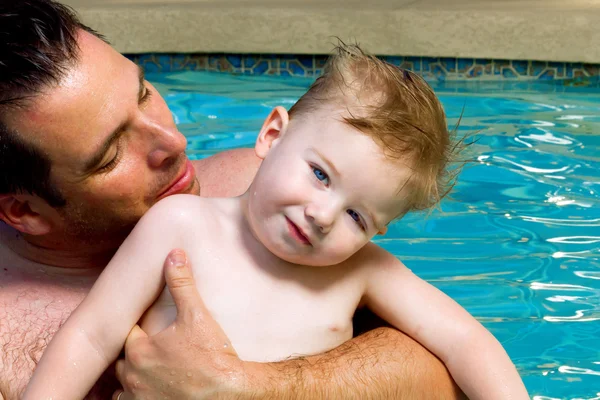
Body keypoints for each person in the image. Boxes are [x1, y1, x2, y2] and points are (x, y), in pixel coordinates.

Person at [0, 1, 465, 399]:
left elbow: (441, 380)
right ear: (23, 210)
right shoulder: (8, 344)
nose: (173, 141)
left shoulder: (272, 194)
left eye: (143, 94)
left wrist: (258, 386)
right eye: (111, 152)